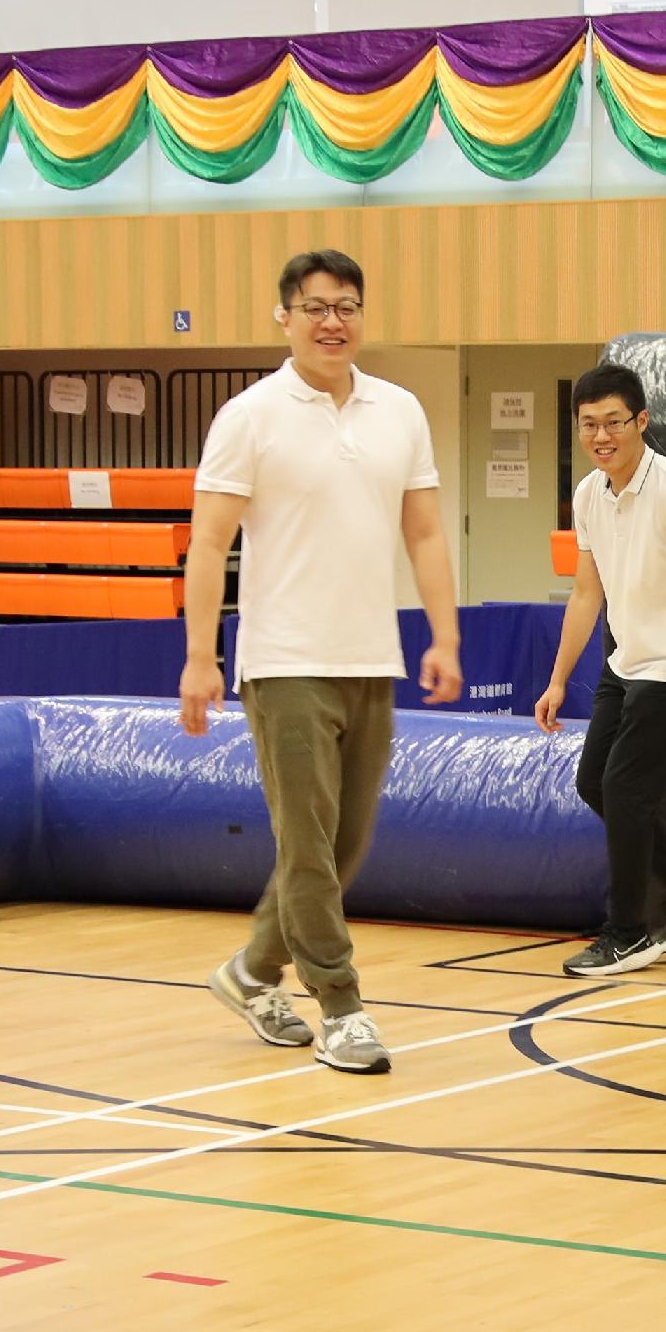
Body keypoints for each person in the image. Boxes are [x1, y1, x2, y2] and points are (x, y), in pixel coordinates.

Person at [177, 248, 460, 1076]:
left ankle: (252, 971)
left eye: (346, 306)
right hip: (285, 659)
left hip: (373, 655)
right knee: (306, 844)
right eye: (315, 306)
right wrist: (202, 656)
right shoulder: (250, 415)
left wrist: (442, 636)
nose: (332, 320)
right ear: (285, 317)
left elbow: (426, 533)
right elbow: (209, 542)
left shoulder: (400, 410)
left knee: (343, 846)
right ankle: (341, 1005)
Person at [534, 363, 666, 976]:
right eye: (589, 425)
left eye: (614, 423)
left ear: (640, 422)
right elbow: (585, 594)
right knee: (593, 782)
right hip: (625, 663)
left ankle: (627, 933)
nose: (602, 436)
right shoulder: (589, 494)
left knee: (624, 789)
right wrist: (558, 678)